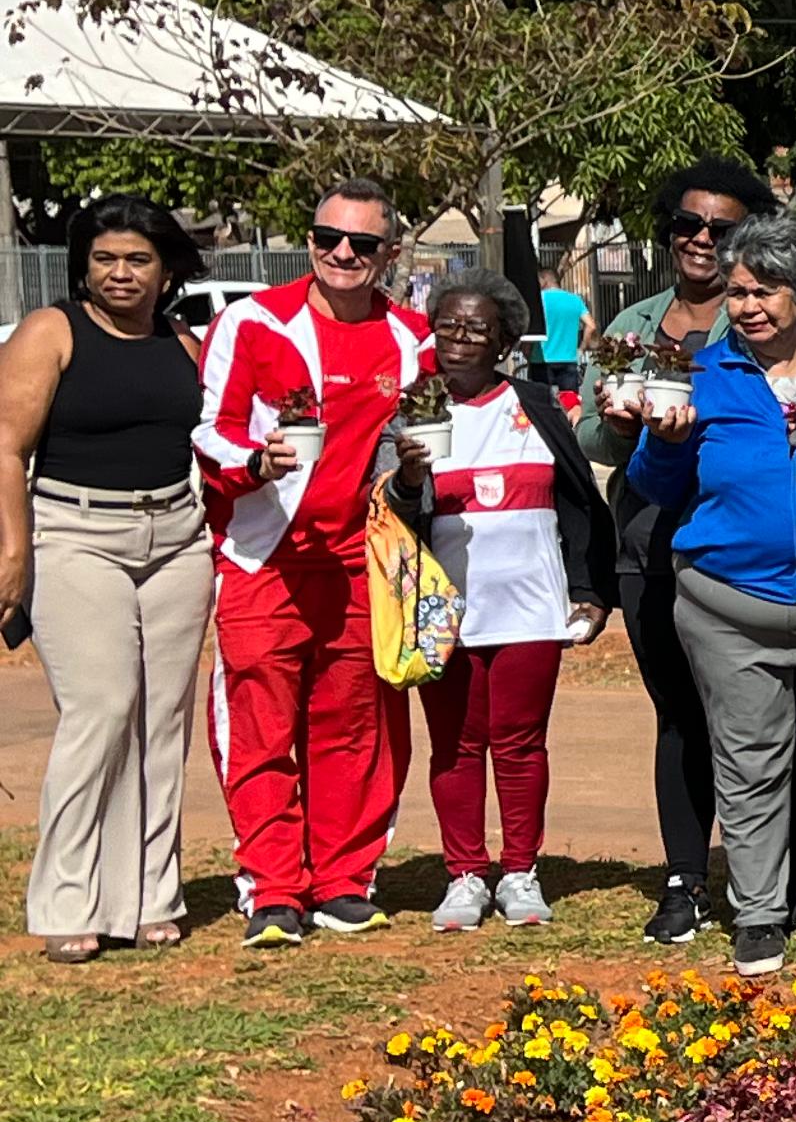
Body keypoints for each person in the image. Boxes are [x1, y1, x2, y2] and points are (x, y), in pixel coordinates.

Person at [620, 221, 796, 975]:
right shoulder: (703, 373)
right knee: (748, 763)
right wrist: (666, 442)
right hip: (727, 608)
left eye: (766, 291)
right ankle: (759, 913)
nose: (750, 306)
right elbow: (652, 486)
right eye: (737, 292)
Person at [193, 177, 432, 948]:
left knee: (355, 727)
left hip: (363, 563)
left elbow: (429, 433)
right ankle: (272, 889)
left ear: (389, 253)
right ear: (309, 242)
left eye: (362, 243)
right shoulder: (253, 322)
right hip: (264, 560)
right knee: (260, 725)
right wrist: (254, 463)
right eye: (328, 238)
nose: (342, 254)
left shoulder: (413, 338)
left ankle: (342, 882)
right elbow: (211, 429)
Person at [0, 198, 213, 959]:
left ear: (166, 269)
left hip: (177, 539)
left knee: (162, 721)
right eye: (104, 259)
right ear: (83, 266)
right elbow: (6, 445)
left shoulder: (185, 344)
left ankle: (150, 896)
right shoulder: (51, 331)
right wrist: (14, 554)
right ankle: (67, 900)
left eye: (137, 259)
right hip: (73, 534)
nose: (120, 273)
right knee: (101, 705)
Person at [581, 161, 781, 946]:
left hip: (740, 540)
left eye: (721, 229)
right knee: (679, 712)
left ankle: (784, 873)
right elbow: (590, 434)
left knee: (765, 713)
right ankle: (685, 878)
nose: (702, 239)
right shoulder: (632, 322)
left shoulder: (762, 321)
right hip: (648, 537)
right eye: (687, 224)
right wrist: (618, 424)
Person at [391, 280, 613, 932]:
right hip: (444, 612)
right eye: (448, 326)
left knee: (520, 742)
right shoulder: (414, 409)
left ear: (505, 343)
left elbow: (580, 502)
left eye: (477, 329)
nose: (459, 340)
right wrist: (408, 478)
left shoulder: (537, 405)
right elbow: (390, 515)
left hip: (531, 607)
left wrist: (589, 592)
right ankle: (464, 875)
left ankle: (520, 872)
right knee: (456, 746)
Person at [532, 264, 589, 394]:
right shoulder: (574, 300)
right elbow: (591, 325)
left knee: (540, 401)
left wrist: (527, 351)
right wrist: (581, 349)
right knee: (570, 401)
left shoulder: (537, 300)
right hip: (568, 359)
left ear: (544, 280)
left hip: (541, 359)